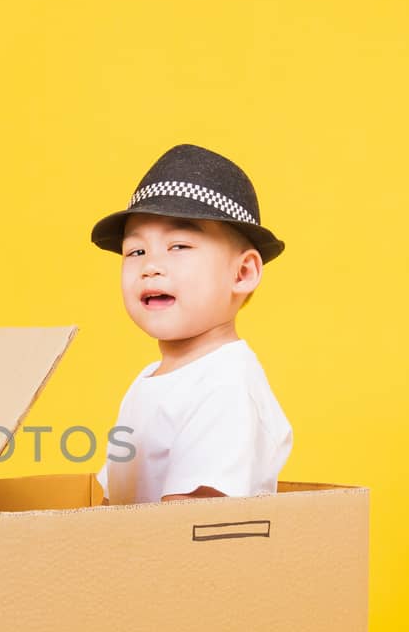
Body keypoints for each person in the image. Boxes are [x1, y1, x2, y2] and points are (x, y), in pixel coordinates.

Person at [89, 143, 293, 504]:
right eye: (136, 251)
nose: (150, 265)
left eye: (179, 246)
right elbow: (109, 505)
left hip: (186, 558)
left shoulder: (226, 384)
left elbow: (190, 529)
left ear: (243, 272)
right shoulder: (147, 381)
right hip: (133, 557)